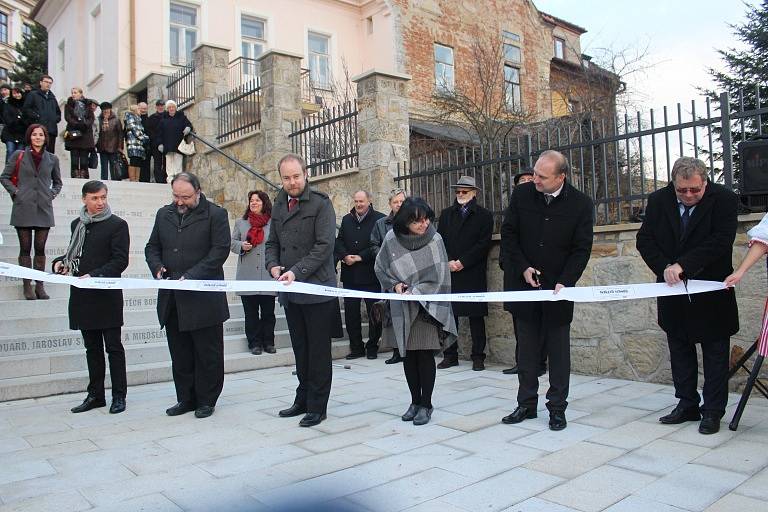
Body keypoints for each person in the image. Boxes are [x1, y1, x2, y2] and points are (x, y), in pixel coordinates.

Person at [637, 156, 739, 435]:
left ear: (705, 182)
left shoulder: (724, 200)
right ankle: (687, 404)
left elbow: (720, 240)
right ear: (674, 185)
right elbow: (644, 239)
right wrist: (666, 268)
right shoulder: (659, 200)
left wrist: (685, 265)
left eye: (695, 189)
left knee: (715, 353)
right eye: (682, 190)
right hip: (672, 290)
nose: (689, 195)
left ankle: (713, 411)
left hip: (711, 290)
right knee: (679, 348)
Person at [500, 150, 593, 431]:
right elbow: (509, 235)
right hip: (525, 286)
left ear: (561, 177)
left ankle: (557, 408)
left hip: (558, 290)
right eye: (535, 174)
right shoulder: (523, 195)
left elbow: (581, 249)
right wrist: (523, 268)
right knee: (526, 352)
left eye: (542, 176)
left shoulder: (580, 204)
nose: (535, 180)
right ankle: (526, 404)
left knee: (558, 352)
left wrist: (566, 281)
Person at [145, 172, 230, 419]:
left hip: (203, 298)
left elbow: (219, 251)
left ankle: (206, 399)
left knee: (207, 353)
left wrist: (192, 275)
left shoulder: (216, 215)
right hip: (173, 297)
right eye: (176, 196)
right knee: (180, 353)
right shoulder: (164, 214)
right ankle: (186, 398)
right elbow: (152, 247)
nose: (180, 202)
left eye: (186, 197)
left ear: (198, 191)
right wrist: (157, 266)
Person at [265, 154, 336, 428]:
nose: (292, 182)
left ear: (306, 174)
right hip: (290, 291)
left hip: (316, 289)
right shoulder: (279, 203)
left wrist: (296, 271)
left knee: (318, 352)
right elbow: (272, 242)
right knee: (301, 349)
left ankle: (318, 406)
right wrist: (272, 266)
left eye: (296, 176)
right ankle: (302, 398)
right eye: (286, 178)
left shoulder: (321, 203)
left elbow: (324, 246)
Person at [375, 197, 457, 426]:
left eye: (427, 219)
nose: (424, 224)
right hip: (401, 306)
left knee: (424, 355)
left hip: (426, 308)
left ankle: (427, 404)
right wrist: (395, 285)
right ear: (405, 221)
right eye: (417, 221)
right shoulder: (391, 239)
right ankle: (414, 402)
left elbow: (441, 276)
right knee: (408, 356)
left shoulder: (435, 239)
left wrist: (417, 290)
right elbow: (380, 267)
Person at [53, 180, 129, 414]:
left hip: (106, 295)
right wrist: (60, 264)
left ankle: (119, 396)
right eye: (95, 198)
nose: (100, 202)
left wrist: (94, 275)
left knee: (113, 348)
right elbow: (74, 254)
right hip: (83, 296)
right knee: (91, 348)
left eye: (103, 197)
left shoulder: (117, 225)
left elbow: (120, 260)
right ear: (84, 199)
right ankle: (95, 395)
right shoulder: (78, 224)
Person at [436, 176, 493, 371]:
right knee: (449, 316)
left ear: (474, 193)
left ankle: (478, 356)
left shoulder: (484, 215)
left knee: (476, 317)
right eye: (458, 191)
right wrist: (450, 262)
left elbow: (483, 244)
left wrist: (463, 262)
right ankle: (450, 355)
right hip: (450, 271)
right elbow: (439, 241)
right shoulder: (446, 214)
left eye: (465, 192)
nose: (460, 195)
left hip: (472, 271)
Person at [0, 124, 63, 300]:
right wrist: (16, 192)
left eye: (41, 135)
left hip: (44, 207)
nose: (37, 137)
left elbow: (58, 182)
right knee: (25, 249)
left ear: (45, 138)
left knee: (40, 248)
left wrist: (52, 193)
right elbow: (4, 177)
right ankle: (27, 285)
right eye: (34, 135)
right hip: (23, 206)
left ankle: (40, 285)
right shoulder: (18, 155)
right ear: (29, 137)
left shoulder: (52, 159)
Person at [503, 169, 546, 376]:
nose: (528, 183)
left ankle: (539, 362)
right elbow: (508, 237)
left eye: (532, 179)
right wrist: (509, 264)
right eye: (523, 181)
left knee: (540, 321)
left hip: (537, 275)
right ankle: (523, 361)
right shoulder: (514, 207)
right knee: (519, 322)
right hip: (515, 274)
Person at [335, 190, 386, 360]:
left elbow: (380, 245)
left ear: (369, 201)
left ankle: (372, 346)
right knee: (351, 313)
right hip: (350, 275)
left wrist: (360, 257)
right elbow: (339, 241)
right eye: (356, 201)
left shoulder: (380, 219)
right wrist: (344, 256)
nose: (358, 204)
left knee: (374, 313)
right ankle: (356, 347)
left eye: (362, 201)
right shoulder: (346, 219)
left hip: (370, 274)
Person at [231, 190, 277, 355]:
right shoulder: (241, 223)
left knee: (268, 313)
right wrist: (240, 246)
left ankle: (269, 342)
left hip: (267, 274)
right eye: (252, 200)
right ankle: (254, 344)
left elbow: (277, 244)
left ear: (264, 203)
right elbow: (231, 242)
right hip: (247, 275)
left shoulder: (273, 223)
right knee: (250, 314)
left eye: (258, 200)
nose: (254, 203)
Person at [370, 187, 408, 364]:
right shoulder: (381, 224)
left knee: (409, 312)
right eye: (395, 202)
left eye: (402, 201)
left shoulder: (413, 221)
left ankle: (411, 349)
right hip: (390, 275)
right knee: (392, 314)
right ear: (390, 204)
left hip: (409, 273)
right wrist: (385, 257)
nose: (399, 205)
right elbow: (374, 245)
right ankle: (396, 351)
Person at [22, 75, 60, 154]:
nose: (48, 84)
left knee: (49, 155)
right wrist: (36, 117)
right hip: (37, 131)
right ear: (41, 82)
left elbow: (58, 113)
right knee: (36, 154)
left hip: (51, 131)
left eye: (50, 83)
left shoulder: (52, 98)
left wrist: (54, 120)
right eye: (46, 82)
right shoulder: (33, 95)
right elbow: (26, 109)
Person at [157, 100, 193, 182]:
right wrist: (159, 144)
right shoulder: (163, 119)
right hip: (167, 145)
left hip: (178, 144)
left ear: (175, 108)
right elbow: (159, 133)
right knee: (169, 163)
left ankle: (178, 180)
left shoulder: (181, 117)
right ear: (167, 109)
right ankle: (170, 180)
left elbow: (188, 124)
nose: (171, 108)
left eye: (173, 107)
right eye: (169, 107)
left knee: (178, 163)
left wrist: (188, 128)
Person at [63, 87, 95, 179]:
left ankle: (84, 175)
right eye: (72, 92)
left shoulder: (88, 105)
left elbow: (91, 118)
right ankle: (75, 175)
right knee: (74, 158)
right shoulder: (68, 105)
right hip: (74, 133)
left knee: (84, 158)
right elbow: (68, 117)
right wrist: (77, 124)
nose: (73, 94)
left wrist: (85, 124)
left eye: (75, 92)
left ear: (81, 94)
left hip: (85, 134)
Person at [96, 102, 123, 181]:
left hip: (113, 146)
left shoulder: (116, 120)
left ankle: (114, 180)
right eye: (104, 110)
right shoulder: (99, 120)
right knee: (104, 166)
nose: (105, 111)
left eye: (107, 109)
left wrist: (120, 146)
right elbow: (97, 133)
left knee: (113, 165)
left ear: (110, 109)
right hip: (102, 147)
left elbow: (120, 134)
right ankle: (104, 181)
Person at [123, 105, 150, 182]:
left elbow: (141, 131)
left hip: (139, 144)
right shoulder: (130, 117)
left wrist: (144, 137)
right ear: (134, 110)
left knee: (138, 162)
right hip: (133, 144)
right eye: (138, 108)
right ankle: (132, 179)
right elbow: (135, 130)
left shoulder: (138, 119)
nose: (140, 110)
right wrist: (145, 138)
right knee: (133, 161)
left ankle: (137, 179)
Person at [1, 88, 26, 162]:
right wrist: (19, 119)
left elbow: (28, 119)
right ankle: (8, 172)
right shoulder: (8, 105)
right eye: (14, 93)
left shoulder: (25, 105)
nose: (17, 95)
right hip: (10, 133)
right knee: (10, 151)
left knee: (20, 153)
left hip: (22, 134)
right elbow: (7, 119)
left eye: (18, 93)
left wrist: (20, 119)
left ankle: (17, 172)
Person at [145, 100, 166, 183]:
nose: (160, 107)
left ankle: (165, 179)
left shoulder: (168, 115)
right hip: (155, 145)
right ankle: (159, 180)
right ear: (156, 107)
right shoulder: (151, 118)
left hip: (167, 143)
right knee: (157, 163)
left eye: (162, 105)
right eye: (159, 105)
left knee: (166, 162)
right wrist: (158, 142)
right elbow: (149, 132)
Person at [137, 102, 151, 182]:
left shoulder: (149, 119)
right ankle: (138, 179)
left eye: (145, 108)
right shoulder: (134, 119)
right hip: (136, 145)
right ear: (138, 108)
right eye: (142, 108)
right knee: (137, 163)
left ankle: (146, 180)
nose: (143, 110)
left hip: (146, 145)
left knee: (146, 164)